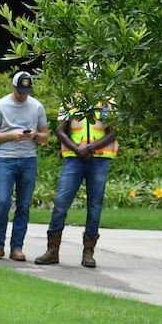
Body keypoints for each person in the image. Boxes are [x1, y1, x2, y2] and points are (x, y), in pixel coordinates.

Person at [35, 88, 118, 268]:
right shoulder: (70, 100)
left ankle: (88, 253)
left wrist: (90, 148)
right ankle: (52, 250)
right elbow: (60, 131)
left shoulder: (108, 101)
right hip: (74, 158)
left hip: (100, 158)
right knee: (61, 202)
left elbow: (113, 132)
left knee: (95, 206)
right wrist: (77, 148)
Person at [0, 69, 49, 261]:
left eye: (27, 92)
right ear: (13, 87)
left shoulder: (37, 107)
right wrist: (12, 136)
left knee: (24, 205)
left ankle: (17, 247)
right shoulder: (0, 106)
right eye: (20, 91)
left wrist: (34, 135)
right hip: (6, 158)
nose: (24, 95)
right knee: (3, 201)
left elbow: (46, 137)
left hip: (29, 159)